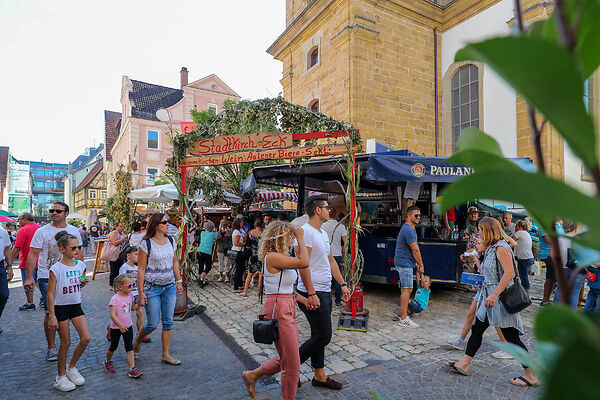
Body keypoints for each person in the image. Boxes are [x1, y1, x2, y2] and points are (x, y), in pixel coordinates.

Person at [444, 217, 539, 388]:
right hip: (489, 300)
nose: (478, 233)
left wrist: (494, 295)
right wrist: (471, 263)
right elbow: (486, 274)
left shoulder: (501, 247)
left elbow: (509, 273)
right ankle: (464, 364)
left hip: (499, 301)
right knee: (477, 330)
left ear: (487, 230)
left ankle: (531, 375)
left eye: (480, 229)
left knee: (512, 338)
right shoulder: (490, 249)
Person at [242, 222, 309, 399]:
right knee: (292, 365)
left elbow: (286, 288)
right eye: (290, 235)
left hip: (286, 305)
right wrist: (301, 238)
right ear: (281, 237)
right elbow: (304, 262)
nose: (293, 238)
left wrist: (303, 299)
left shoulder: (278, 257)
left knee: (288, 356)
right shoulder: (272, 257)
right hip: (279, 309)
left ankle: (252, 375)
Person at [295, 194, 350, 390]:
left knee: (318, 334)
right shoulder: (305, 232)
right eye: (327, 207)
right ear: (318, 210)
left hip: (324, 290)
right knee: (324, 336)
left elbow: (331, 261)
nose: (330, 210)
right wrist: (311, 294)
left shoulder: (322, 233)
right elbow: (303, 266)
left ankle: (319, 375)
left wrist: (342, 284)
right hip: (313, 292)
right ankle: (290, 370)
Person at [25, 201, 83, 361]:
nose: (53, 213)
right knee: (50, 310)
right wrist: (30, 276)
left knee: (66, 308)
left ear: (66, 213)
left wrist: (82, 273)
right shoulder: (42, 231)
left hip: (69, 275)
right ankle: (51, 346)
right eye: (52, 210)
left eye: (58, 211)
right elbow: (33, 254)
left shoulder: (73, 231)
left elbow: (79, 253)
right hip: (46, 275)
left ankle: (64, 342)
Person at [134, 213, 184, 365]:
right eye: (164, 222)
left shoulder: (170, 240)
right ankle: (137, 340)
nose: (168, 224)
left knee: (168, 321)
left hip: (169, 286)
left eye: (168, 222)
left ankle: (166, 354)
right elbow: (141, 270)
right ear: (155, 225)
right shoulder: (146, 244)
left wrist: (179, 280)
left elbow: (175, 262)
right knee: (152, 323)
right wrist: (141, 293)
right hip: (152, 288)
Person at [47, 231, 91, 392]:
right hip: (61, 308)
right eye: (73, 248)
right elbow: (50, 294)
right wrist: (51, 316)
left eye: (78, 247)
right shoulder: (56, 268)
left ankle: (71, 367)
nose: (77, 250)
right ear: (62, 249)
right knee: (65, 343)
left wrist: (83, 282)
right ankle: (60, 377)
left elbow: (79, 284)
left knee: (86, 338)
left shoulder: (81, 265)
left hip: (76, 305)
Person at [104, 273, 143, 378]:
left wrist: (139, 304)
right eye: (129, 286)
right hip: (116, 328)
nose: (132, 287)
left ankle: (132, 368)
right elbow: (112, 315)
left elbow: (132, 308)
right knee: (113, 346)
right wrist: (120, 325)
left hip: (128, 326)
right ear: (120, 287)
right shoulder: (115, 299)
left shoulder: (130, 296)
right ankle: (107, 361)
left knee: (129, 347)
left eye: (133, 285)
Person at [394, 206, 425, 328]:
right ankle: (403, 319)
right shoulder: (408, 229)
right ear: (409, 216)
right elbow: (415, 250)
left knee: (405, 289)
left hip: (404, 261)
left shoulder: (409, 228)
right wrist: (421, 264)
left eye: (419, 215)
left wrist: (416, 262)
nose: (418, 217)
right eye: (416, 215)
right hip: (404, 262)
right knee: (407, 289)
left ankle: (405, 312)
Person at [8, 213, 40, 311]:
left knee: (28, 282)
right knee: (40, 281)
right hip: (41, 261)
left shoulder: (22, 230)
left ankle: (30, 303)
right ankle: (44, 298)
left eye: (19, 220)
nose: (18, 222)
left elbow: (17, 248)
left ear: (25, 220)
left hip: (27, 261)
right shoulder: (40, 228)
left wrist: (9, 262)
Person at [119, 246, 150, 344]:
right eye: (136, 254)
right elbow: (120, 281)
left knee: (139, 313)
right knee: (124, 315)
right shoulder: (124, 268)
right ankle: (113, 330)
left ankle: (140, 334)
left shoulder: (137, 268)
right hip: (127, 296)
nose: (138, 256)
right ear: (128, 255)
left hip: (136, 294)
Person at [321, 212, 347, 306]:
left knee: (325, 276)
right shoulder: (341, 226)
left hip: (325, 255)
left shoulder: (322, 226)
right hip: (337, 254)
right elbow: (345, 242)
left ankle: (325, 299)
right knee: (338, 277)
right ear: (336, 215)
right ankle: (337, 300)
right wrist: (343, 252)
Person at [540, 218, 565, 306]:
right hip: (549, 254)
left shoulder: (557, 224)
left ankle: (546, 301)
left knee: (551, 278)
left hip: (556, 253)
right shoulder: (544, 224)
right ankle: (553, 302)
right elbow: (547, 240)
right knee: (556, 278)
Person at [241, 218, 264, 297]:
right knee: (261, 274)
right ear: (262, 225)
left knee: (250, 274)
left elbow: (247, 244)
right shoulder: (264, 233)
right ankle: (259, 291)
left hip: (253, 255)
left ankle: (245, 291)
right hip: (261, 255)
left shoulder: (251, 233)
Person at [513, 220, 534, 296]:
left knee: (523, 277)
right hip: (528, 257)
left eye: (516, 226)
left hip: (524, 258)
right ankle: (522, 292)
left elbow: (511, 240)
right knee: (521, 275)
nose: (515, 227)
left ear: (520, 227)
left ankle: (527, 295)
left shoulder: (519, 232)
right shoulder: (526, 233)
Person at [197, 220, 218, 288]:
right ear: (211, 227)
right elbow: (219, 235)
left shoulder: (202, 233)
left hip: (200, 250)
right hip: (207, 252)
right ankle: (201, 279)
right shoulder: (213, 234)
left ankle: (201, 281)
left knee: (201, 266)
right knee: (208, 267)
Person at [0, 226, 12, 334]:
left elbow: (7, 249)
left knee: (4, 295)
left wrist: (10, 267)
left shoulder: (2, 232)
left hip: (0, 267)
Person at [107, 222, 127, 287]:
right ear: (116, 227)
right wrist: (124, 238)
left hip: (121, 254)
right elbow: (114, 243)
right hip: (114, 253)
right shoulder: (113, 233)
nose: (122, 228)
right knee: (114, 270)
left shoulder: (122, 233)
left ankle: (119, 284)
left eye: (123, 226)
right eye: (121, 226)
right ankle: (112, 285)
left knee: (120, 269)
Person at [232, 216, 248, 293]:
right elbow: (236, 243)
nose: (242, 223)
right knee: (239, 269)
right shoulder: (236, 232)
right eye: (241, 222)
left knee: (242, 268)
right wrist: (244, 244)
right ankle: (236, 286)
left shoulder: (239, 231)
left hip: (240, 251)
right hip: (238, 252)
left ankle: (240, 284)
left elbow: (243, 239)